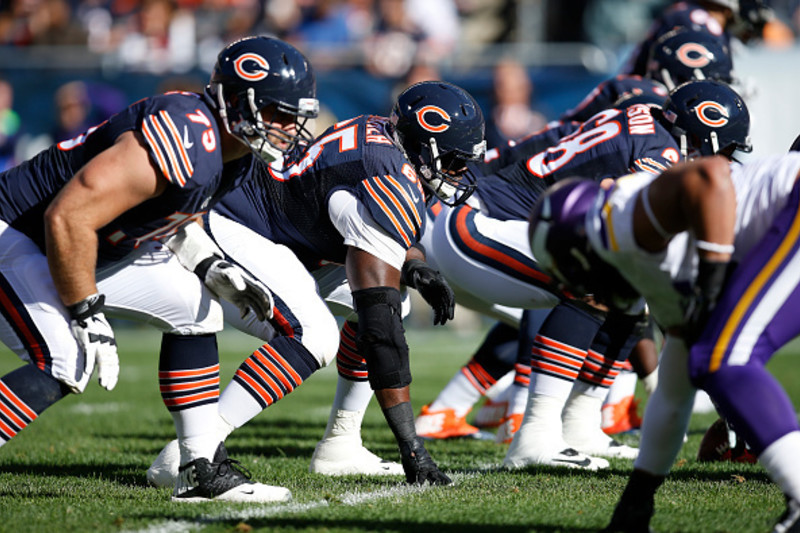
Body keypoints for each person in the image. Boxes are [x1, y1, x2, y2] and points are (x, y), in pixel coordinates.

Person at [0, 35, 320, 503]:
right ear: (235, 101)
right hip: (20, 233)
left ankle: (199, 468)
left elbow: (166, 215)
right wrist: (87, 311)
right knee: (67, 358)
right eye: (278, 113)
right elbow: (67, 217)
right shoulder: (187, 132)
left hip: (78, 245)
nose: (289, 128)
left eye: (296, 116)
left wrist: (206, 263)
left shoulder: (230, 154)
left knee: (196, 309)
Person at [141, 80, 485, 485]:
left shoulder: (385, 137)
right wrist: (412, 448)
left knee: (399, 303)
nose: (460, 173)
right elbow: (381, 331)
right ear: (424, 145)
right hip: (237, 227)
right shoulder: (390, 174)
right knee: (316, 335)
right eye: (454, 161)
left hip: (281, 234)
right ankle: (193, 450)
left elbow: (357, 219)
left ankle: (341, 444)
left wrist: (414, 265)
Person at [528, 150, 800, 532]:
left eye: (580, 275)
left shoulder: (620, 219)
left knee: (725, 357)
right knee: (708, 359)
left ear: (583, 247)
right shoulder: (651, 275)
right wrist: (637, 499)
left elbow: (710, 174)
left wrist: (713, 271)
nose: (590, 293)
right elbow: (673, 392)